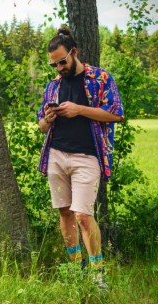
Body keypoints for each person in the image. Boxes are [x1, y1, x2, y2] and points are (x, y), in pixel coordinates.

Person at [37, 27, 124, 286]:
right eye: (54, 64)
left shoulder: (100, 78)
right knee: (64, 212)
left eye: (62, 61)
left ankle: (98, 275)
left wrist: (80, 110)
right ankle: (75, 271)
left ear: (74, 52)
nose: (58, 67)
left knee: (83, 215)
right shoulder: (53, 86)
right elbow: (41, 125)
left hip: (87, 157)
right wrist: (48, 119)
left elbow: (117, 114)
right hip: (56, 155)